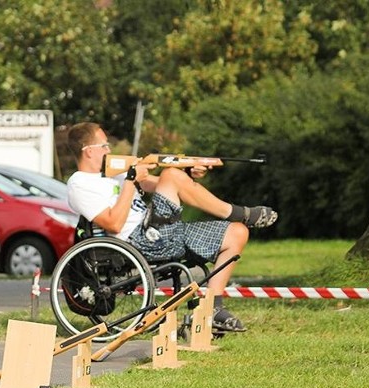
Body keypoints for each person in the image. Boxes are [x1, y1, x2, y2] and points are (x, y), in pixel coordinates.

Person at [66, 122, 278, 332]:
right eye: (104, 145)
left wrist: (188, 173)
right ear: (89, 151)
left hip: (161, 233)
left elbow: (162, 184)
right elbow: (114, 223)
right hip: (138, 240)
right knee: (171, 174)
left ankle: (213, 309)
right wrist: (131, 181)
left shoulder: (115, 172)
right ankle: (240, 213)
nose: (109, 150)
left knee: (237, 233)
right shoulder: (80, 183)